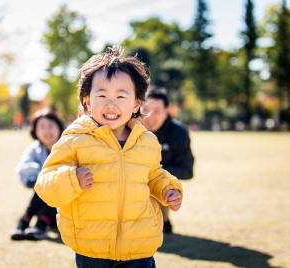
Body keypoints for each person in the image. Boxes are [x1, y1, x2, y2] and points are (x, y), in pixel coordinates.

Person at [34, 46, 183, 267]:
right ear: (87, 100)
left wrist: (167, 188)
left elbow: (152, 174)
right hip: (92, 248)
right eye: (101, 95)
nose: (111, 103)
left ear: (136, 103)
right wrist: (72, 179)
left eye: (121, 96)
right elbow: (45, 185)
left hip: (138, 245)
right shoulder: (75, 139)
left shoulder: (147, 141)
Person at [141, 88, 194, 234]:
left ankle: (161, 220)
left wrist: (154, 172)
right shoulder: (129, 128)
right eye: (145, 110)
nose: (150, 116)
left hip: (160, 184)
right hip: (131, 182)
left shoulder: (178, 133)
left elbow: (187, 171)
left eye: (157, 111)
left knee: (161, 183)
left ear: (166, 112)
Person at [11, 109, 65, 241]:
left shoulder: (68, 146)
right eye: (42, 127)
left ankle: (31, 222)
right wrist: (41, 181)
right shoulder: (34, 149)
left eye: (51, 126)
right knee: (45, 183)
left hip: (65, 206)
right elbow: (25, 168)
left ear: (59, 127)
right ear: (35, 131)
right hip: (42, 200)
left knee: (57, 185)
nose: (47, 131)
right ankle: (32, 223)